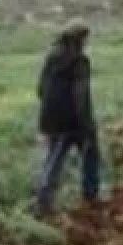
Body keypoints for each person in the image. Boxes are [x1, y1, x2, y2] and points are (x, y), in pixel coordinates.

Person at [33, 18, 101, 216]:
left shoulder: (51, 57)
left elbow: (40, 89)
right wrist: (87, 125)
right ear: (80, 39)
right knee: (90, 154)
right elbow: (81, 96)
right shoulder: (80, 61)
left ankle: (43, 202)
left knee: (52, 160)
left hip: (50, 119)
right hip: (72, 121)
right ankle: (90, 197)